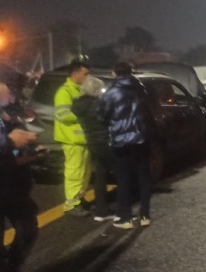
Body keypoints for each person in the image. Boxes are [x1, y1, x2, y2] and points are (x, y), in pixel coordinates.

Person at [99, 62, 156, 229]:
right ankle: (145, 214)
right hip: (142, 138)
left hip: (122, 140)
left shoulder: (112, 91)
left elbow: (103, 115)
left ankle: (125, 217)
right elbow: (146, 111)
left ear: (115, 73)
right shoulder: (141, 88)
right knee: (143, 177)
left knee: (123, 178)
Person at [0, 82, 42, 272]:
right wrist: (10, 143)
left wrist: (28, 152)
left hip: (13, 185)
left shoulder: (9, 114)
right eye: (5, 93)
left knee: (28, 229)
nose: (9, 96)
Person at [71, 76, 116, 221]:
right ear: (97, 89)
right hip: (106, 142)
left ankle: (101, 211)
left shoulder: (78, 105)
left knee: (101, 175)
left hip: (92, 142)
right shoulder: (99, 105)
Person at [54, 60, 92, 216]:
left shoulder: (80, 91)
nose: (88, 77)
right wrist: (84, 115)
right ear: (75, 74)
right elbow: (63, 115)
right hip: (72, 140)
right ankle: (71, 205)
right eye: (85, 74)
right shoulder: (65, 92)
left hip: (83, 140)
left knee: (84, 173)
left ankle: (79, 198)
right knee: (74, 174)